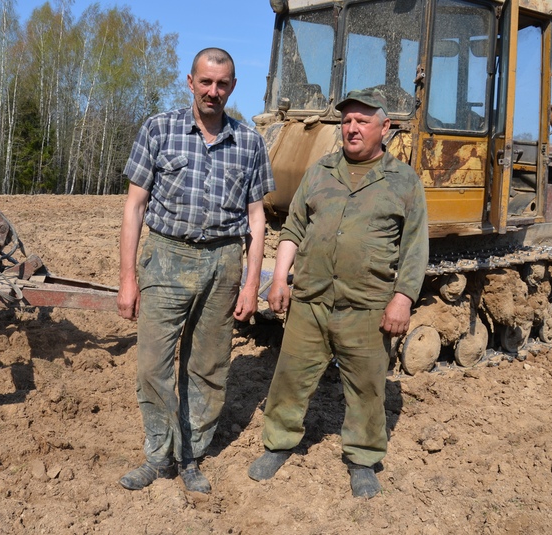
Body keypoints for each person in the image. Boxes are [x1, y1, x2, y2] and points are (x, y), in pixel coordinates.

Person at [247, 87, 428, 498]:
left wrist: (402, 299)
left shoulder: (404, 182)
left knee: (366, 388)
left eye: (362, 121)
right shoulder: (320, 171)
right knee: (290, 377)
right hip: (310, 301)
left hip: (366, 306)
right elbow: (294, 227)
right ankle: (278, 443)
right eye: (346, 121)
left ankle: (363, 459)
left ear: (385, 127)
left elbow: (416, 248)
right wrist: (279, 278)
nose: (352, 128)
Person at [117, 48, 275, 494]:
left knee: (207, 366)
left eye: (222, 84)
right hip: (166, 255)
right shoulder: (159, 129)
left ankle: (191, 457)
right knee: (153, 365)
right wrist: (128, 278)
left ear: (233, 87)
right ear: (190, 82)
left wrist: (250, 284)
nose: (213, 91)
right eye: (205, 82)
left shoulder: (249, 142)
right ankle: (157, 455)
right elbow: (134, 206)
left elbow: (257, 218)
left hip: (224, 261)